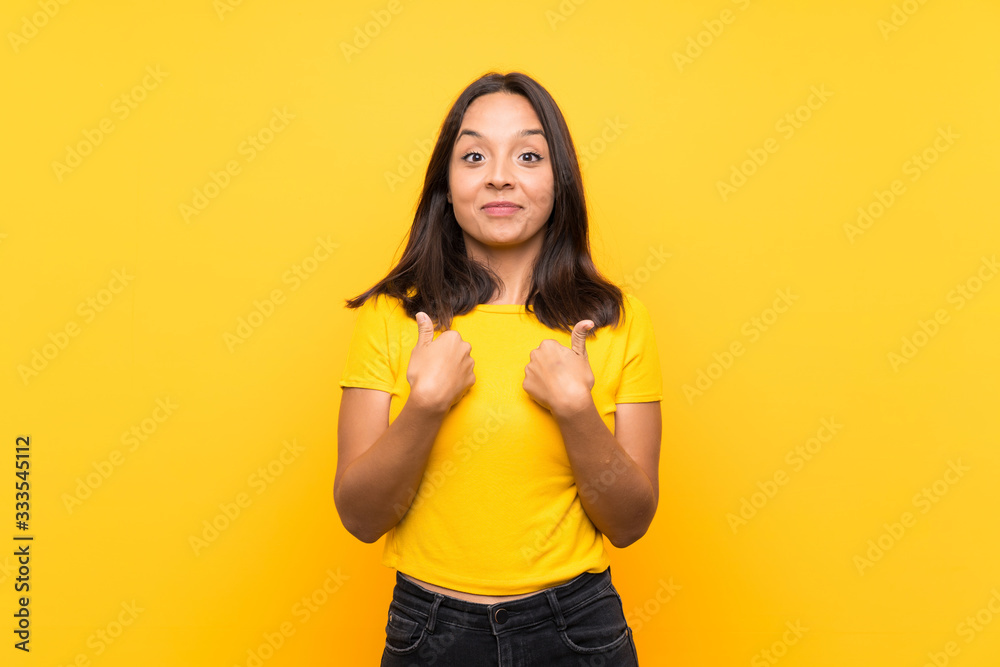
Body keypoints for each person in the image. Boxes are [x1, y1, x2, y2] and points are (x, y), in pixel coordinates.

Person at [335, 70, 662, 666]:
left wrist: (576, 411)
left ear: (558, 180)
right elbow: (360, 517)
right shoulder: (394, 315)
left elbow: (630, 522)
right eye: (475, 155)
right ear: (447, 183)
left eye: (529, 154)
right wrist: (426, 405)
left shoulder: (617, 319)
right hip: (429, 633)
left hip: (577, 629)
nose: (500, 175)